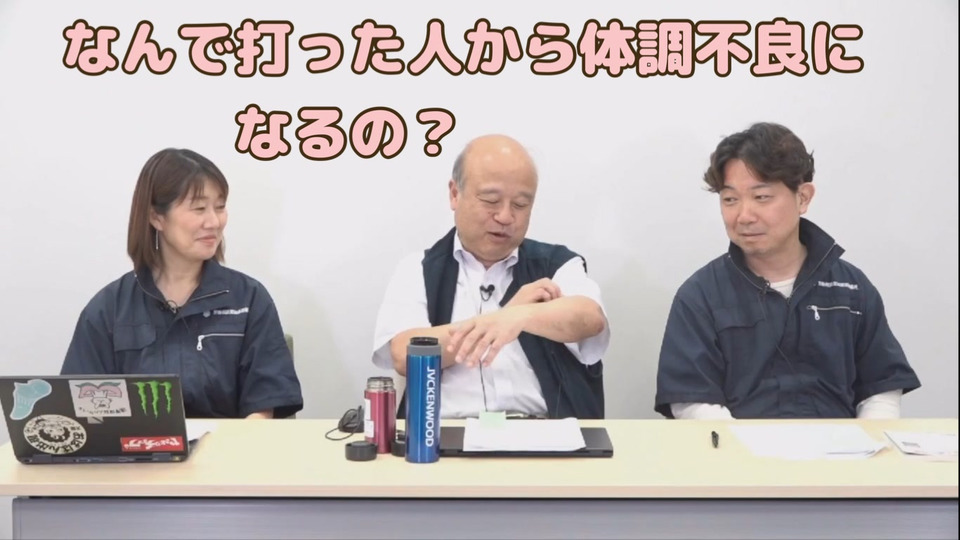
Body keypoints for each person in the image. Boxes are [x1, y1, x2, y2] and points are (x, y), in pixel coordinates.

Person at [655, 122, 920, 419]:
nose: (744, 216)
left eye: (761, 197)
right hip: (737, 445)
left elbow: (881, 388)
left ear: (803, 197)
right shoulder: (700, 295)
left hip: (841, 446)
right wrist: (742, 446)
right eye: (730, 199)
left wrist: (867, 442)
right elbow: (690, 399)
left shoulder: (852, 288)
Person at [372, 134, 610, 419]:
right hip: (445, 434)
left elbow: (590, 318)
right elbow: (404, 354)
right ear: (455, 194)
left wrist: (520, 317)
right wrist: (501, 317)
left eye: (520, 204)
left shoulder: (557, 264)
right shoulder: (417, 269)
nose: (506, 216)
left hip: (544, 433)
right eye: (490, 200)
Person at [61, 148, 303, 419]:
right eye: (199, 208)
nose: (214, 221)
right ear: (156, 217)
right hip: (136, 446)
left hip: (229, 445)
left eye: (220, 207)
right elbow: (81, 408)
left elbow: (264, 407)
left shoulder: (249, 299)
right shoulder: (109, 309)